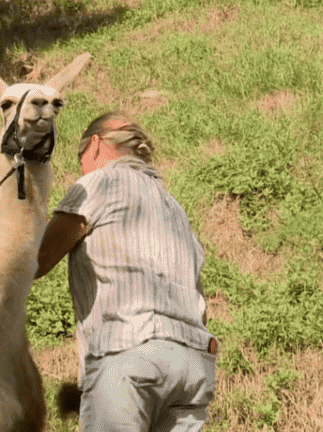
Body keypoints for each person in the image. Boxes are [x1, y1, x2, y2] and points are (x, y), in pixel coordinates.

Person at [35, 111, 217, 431]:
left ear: (94, 146)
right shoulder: (174, 207)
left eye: (80, 159)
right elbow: (197, 291)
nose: (81, 168)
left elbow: (37, 261)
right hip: (192, 365)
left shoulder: (97, 183)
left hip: (128, 352)